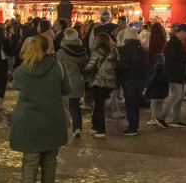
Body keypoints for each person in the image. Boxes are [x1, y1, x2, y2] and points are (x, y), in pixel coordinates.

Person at [9, 35, 69, 183]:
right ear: (47, 48)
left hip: (28, 123)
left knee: (30, 162)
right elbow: (67, 89)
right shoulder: (58, 68)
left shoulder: (22, 70)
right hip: (52, 122)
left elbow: (15, 84)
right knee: (50, 161)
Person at [83, 31, 117, 138]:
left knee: (98, 105)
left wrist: (82, 70)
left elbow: (90, 66)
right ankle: (95, 125)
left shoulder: (97, 51)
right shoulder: (114, 52)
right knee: (99, 103)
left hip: (99, 81)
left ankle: (101, 129)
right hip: (110, 81)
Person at [115, 28, 149, 136]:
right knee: (135, 102)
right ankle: (135, 125)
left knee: (130, 103)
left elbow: (121, 66)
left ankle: (132, 127)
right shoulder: (142, 50)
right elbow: (146, 67)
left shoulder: (122, 50)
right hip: (140, 80)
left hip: (128, 79)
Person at [159, 23, 186, 128]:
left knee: (179, 96)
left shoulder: (176, 42)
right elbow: (174, 57)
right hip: (174, 73)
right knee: (177, 96)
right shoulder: (174, 43)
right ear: (181, 32)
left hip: (177, 73)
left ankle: (176, 119)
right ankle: (161, 117)